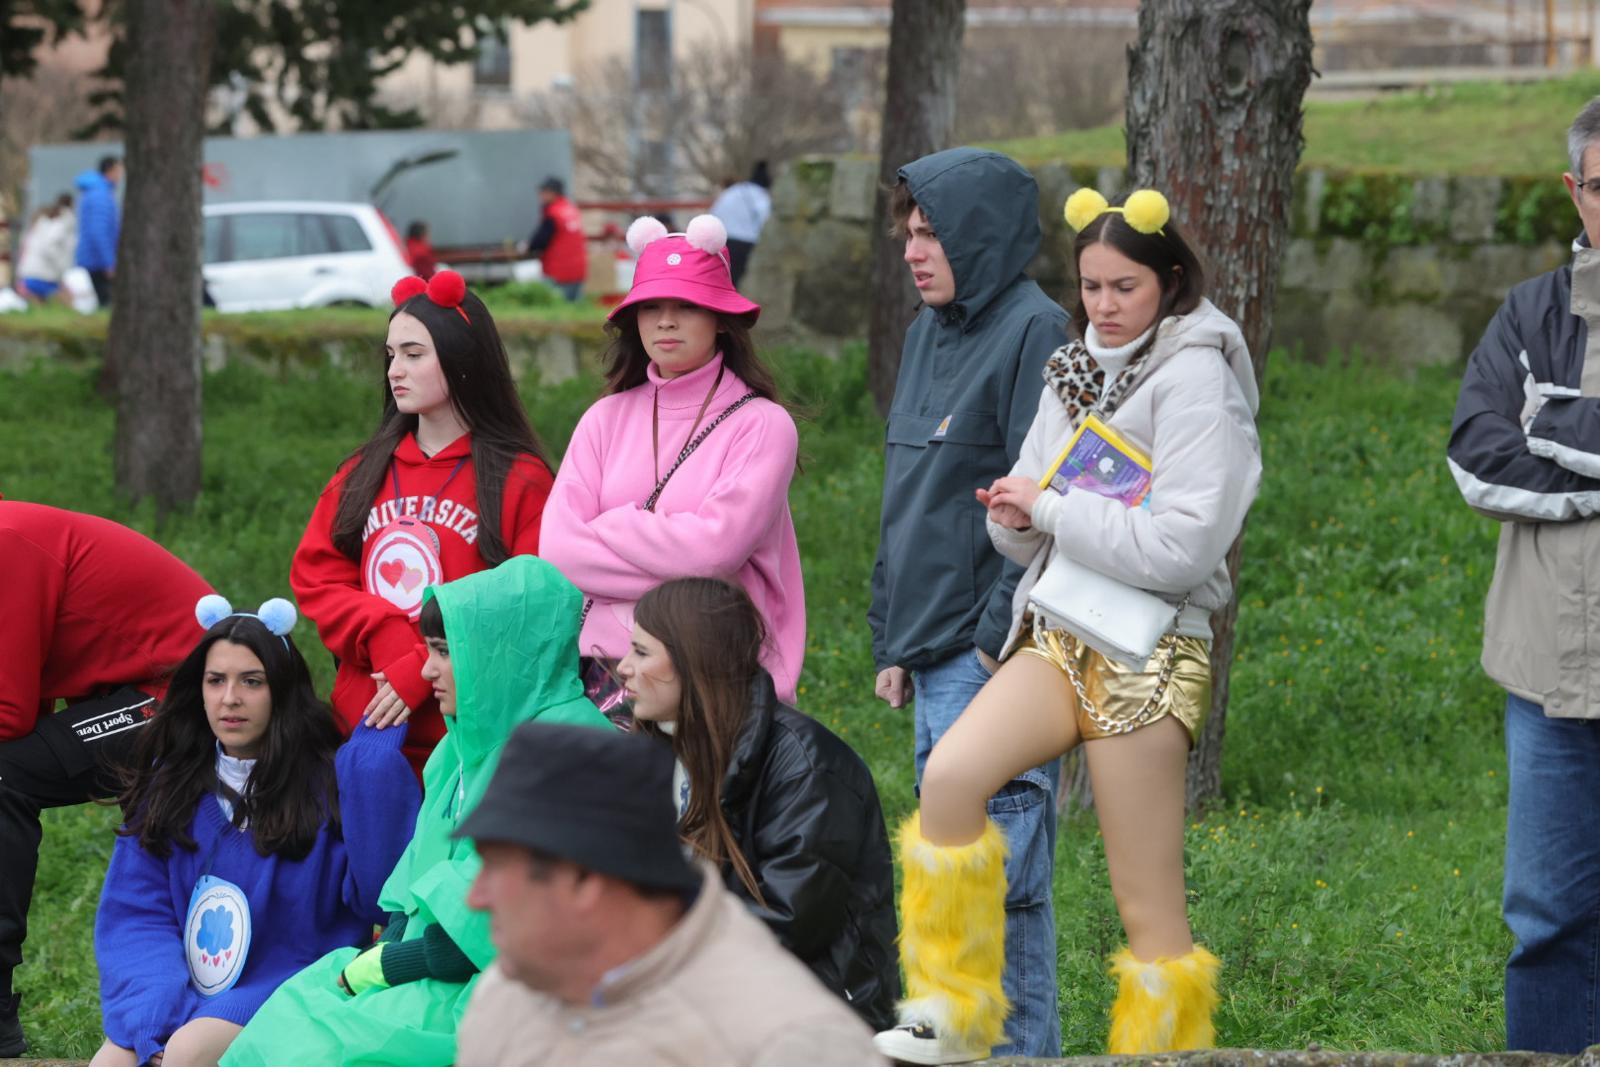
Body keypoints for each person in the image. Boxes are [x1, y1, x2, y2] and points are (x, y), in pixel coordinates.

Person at [872, 187, 1261, 1065]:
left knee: (1149, 908)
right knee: (951, 782)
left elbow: (1181, 547)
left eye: (1123, 287)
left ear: (1169, 281)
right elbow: (1026, 520)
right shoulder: (1073, 367)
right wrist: (1012, 515)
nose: (1103, 306)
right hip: (1057, 632)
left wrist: (1049, 507)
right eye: (1089, 286)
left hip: (1149, 651)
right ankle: (953, 1012)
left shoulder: (1199, 376)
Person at [222, 557, 610, 1067]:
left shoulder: (566, 752)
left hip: (517, 991)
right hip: (444, 968)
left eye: (445, 652)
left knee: (317, 1047)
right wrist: (380, 963)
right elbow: (420, 886)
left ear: (499, 653)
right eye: (429, 650)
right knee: (290, 1014)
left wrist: (383, 967)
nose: (426, 671)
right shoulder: (468, 742)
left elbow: (485, 937)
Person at [865, 146, 1070, 1059]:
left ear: (981, 234)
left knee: (1002, 883)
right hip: (931, 652)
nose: (915, 250)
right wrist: (892, 638)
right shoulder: (923, 333)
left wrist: (994, 640)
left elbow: (1046, 504)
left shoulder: (1037, 330)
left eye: (933, 231)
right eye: (909, 232)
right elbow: (909, 496)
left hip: (991, 656)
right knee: (969, 880)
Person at [90, 595, 419, 1067]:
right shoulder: (173, 781)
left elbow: (377, 900)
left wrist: (372, 764)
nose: (230, 699)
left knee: (188, 1051)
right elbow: (136, 914)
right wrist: (155, 1010)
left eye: (252, 682)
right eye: (216, 681)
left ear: (281, 691)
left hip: (292, 979)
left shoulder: (325, 785)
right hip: (181, 986)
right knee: (116, 1059)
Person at [454, 720, 887, 1067]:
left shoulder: (786, 1045)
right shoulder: (516, 984)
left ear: (585, 879)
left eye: (493, 869)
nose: (475, 897)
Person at [1447, 95, 1600, 1054]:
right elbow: (1476, 457)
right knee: (1547, 920)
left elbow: (1527, 443)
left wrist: (1556, 425)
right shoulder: (1530, 312)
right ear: (1573, 191)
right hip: (1548, 674)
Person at [539, 214, 804, 723]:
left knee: (700, 806)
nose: (665, 321)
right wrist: (674, 560)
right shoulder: (604, 417)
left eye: (686, 305)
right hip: (599, 676)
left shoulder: (763, 425)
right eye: (650, 306)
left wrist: (615, 524)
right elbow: (558, 554)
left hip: (714, 674)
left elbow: (713, 555)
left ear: (722, 317)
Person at [289, 269, 554, 775]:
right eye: (391, 355)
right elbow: (316, 577)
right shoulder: (361, 472)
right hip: (369, 727)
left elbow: (528, 600)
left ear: (462, 361)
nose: (395, 371)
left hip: (469, 739)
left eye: (414, 354)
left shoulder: (520, 478)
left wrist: (429, 663)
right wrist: (386, 638)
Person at [619, 578, 897, 1029]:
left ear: (694, 660)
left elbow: (786, 924)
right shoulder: (659, 752)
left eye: (642, 652)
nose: (623, 667)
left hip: (812, 1014)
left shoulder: (808, 768)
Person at [0, 499, 215, 1058]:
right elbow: (30, 694)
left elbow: (11, 714)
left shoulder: (8, 541)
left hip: (192, 697)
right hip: (146, 690)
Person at [708, 161, 772, 287]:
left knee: (723, 280)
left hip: (723, 242)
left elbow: (714, 212)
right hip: (746, 243)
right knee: (738, 282)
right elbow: (766, 218)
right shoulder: (760, 195)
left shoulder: (733, 191)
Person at [523, 177, 587, 303]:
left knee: (557, 308)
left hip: (558, 271)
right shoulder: (570, 209)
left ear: (553, 193)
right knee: (573, 309)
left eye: (544, 192)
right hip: (578, 269)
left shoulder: (554, 213)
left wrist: (527, 247)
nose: (541, 195)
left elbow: (540, 241)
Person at [74, 155, 122, 309]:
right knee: (108, 304)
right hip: (98, 260)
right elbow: (99, 231)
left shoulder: (97, 192)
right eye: (119, 171)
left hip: (97, 258)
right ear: (110, 171)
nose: (120, 176)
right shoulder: (100, 195)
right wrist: (108, 262)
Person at [16, 194, 76, 306]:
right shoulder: (57, 225)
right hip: (42, 276)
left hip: (29, 275)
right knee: (68, 300)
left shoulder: (35, 229)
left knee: (41, 308)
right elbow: (49, 247)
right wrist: (61, 267)